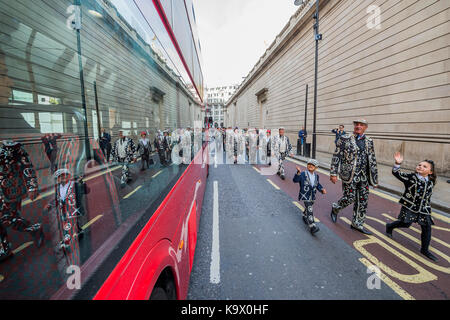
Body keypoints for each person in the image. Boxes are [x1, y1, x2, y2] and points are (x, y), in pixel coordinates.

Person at [385, 152, 438, 261]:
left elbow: (427, 196)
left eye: (424, 166)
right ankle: (390, 226)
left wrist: (428, 210)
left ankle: (424, 249)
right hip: (410, 206)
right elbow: (396, 173)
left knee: (427, 227)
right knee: (405, 223)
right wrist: (397, 163)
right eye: (419, 165)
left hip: (424, 208)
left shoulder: (431, 182)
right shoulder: (411, 177)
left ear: (430, 172)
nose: (420, 167)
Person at [329, 119, 378, 235]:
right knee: (350, 197)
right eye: (357, 124)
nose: (358, 126)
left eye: (361, 125)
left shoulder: (369, 141)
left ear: (365, 127)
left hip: (364, 176)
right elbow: (336, 156)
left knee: (363, 200)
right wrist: (333, 173)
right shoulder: (344, 138)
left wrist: (375, 179)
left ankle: (357, 223)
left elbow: (373, 160)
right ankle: (336, 208)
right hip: (349, 174)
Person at [0, 140, 44, 262]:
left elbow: (26, 166)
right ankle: (4, 249)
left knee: (8, 218)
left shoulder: (12, 146)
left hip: (10, 190)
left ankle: (34, 229)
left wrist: (32, 186)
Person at [45, 168, 89, 266]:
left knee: (67, 225)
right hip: (63, 211)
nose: (62, 178)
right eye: (60, 177)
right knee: (69, 223)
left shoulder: (75, 185)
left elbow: (86, 191)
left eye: (64, 175)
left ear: (68, 176)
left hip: (73, 209)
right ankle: (79, 230)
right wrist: (50, 205)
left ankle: (66, 242)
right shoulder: (58, 188)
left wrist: (83, 183)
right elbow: (57, 199)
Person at [293, 159, 326, 234]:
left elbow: (317, 184)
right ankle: (312, 226)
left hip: (312, 196)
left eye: (313, 165)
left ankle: (304, 215)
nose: (310, 165)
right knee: (310, 208)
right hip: (305, 195)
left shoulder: (316, 176)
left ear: (316, 167)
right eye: (309, 164)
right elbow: (295, 180)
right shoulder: (303, 174)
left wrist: (321, 189)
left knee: (309, 206)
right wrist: (298, 173)